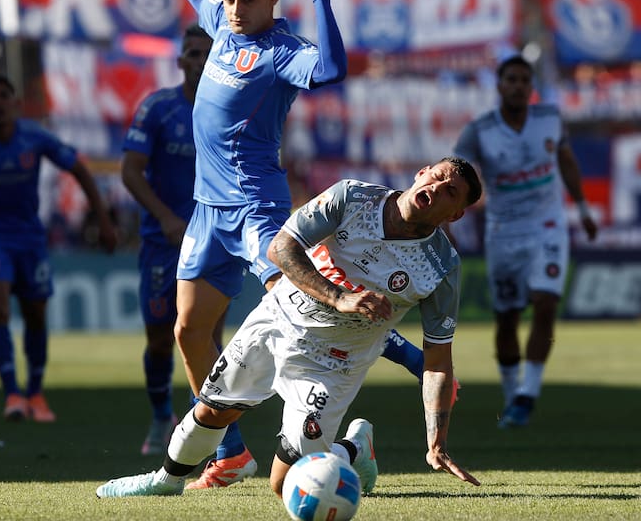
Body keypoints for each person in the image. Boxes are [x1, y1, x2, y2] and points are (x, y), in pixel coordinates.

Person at [95, 156, 483, 498]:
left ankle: (354, 449)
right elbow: (280, 247)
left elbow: (438, 360)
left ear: (455, 215)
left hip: (335, 363)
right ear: (420, 174)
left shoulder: (441, 268)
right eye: (436, 177)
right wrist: (339, 296)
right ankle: (165, 479)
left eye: (451, 192)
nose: (437, 188)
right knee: (214, 411)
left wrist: (437, 442)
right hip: (278, 320)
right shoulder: (352, 197)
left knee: (286, 484)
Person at [171, 0, 349, 489]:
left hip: (253, 205)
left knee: (299, 315)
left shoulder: (282, 50)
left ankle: (340, 435)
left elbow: (332, 69)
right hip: (207, 210)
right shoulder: (221, 25)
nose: (234, 9)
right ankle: (228, 453)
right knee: (189, 329)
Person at [0, 74, 118, 422]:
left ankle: (36, 393)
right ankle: (12, 394)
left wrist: (103, 221)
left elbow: (80, 169)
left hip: (29, 238)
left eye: (2, 97)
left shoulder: (34, 137)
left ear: (15, 104)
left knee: (36, 313)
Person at [453, 55, 598, 428]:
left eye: (524, 80)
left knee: (546, 303)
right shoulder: (479, 131)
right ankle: (511, 394)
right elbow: (455, 176)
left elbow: (565, 160)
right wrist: (448, 219)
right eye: (511, 80)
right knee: (506, 318)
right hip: (504, 231)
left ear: (531, 88)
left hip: (547, 225)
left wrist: (581, 207)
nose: (518, 86)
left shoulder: (549, 120)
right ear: (499, 86)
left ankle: (528, 394)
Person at [120, 24, 223, 455]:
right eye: (193, 53)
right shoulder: (157, 108)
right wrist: (164, 217)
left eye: (207, 53)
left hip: (212, 239)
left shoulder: (229, 109)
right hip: (164, 241)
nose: (200, 60)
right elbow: (130, 170)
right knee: (160, 336)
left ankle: (207, 430)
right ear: (181, 61)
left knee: (209, 334)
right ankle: (163, 416)